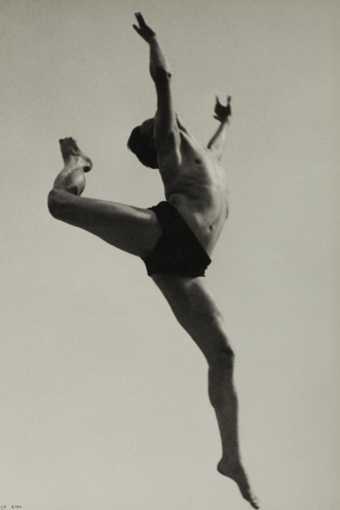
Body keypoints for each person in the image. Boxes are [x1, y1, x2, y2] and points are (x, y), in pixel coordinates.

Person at [47, 13, 259, 509]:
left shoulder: (207, 159)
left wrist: (226, 121)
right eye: (153, 125)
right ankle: (77, 163)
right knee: (59, 204)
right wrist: (155, 40)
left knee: (224, 354)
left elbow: (216, 147)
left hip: (185, 264)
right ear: (155, 138)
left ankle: (231, 457)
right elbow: (163, 80)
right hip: (165, 231)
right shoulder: (168, 146)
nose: (156, 121)